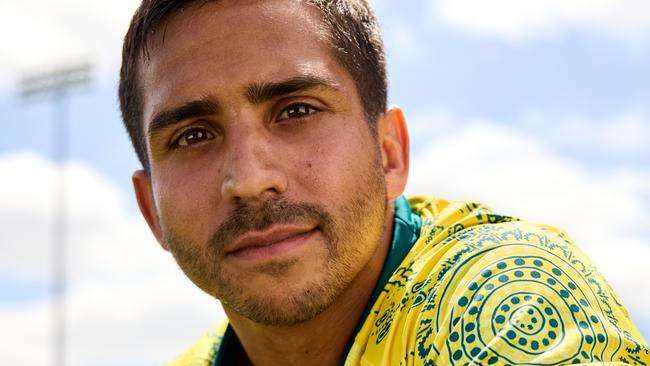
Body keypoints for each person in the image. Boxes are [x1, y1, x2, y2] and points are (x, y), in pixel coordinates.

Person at [118, 0, 649, 365]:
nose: (251, 180)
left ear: (389, 153)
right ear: (151, 210)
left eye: (296, 110)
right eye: (192, 137)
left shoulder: (509, 298)